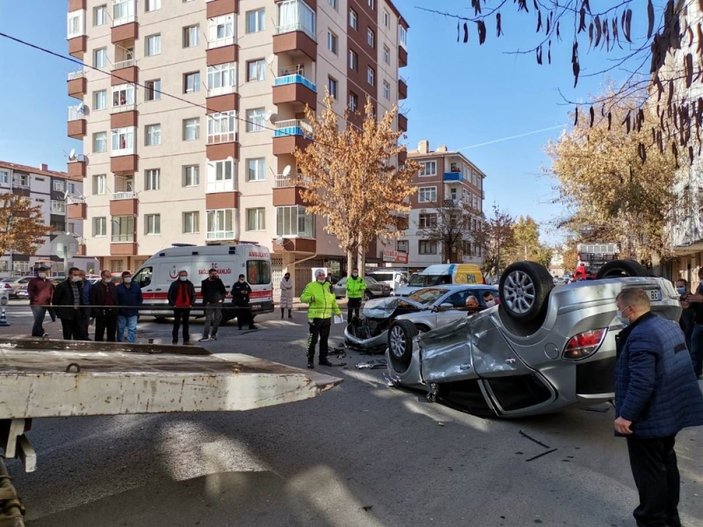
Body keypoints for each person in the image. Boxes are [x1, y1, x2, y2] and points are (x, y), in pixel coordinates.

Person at [613, 288, 703, 527]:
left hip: (650, 420)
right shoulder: (668, 325)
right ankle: (670, 519)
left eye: (618, 308)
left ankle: (652, 520)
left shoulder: (642, 335)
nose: (618, 312)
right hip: (669, 414)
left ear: (630, 309)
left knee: (650, 474)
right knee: (666, 467)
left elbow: (642, 382)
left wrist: (626, 416)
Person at [300, 269, 342, 369]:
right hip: (315, 318)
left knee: (324, 340)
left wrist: (338, 312)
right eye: (319, 275)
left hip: (327, 317)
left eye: (323, 275)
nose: (322, 276)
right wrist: (311, 298)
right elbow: (302, 298)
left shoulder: (329, 286)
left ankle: (323, 359)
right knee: (313, 340)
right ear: (316, 276)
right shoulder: (310, 286)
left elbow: (333, 302)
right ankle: (310, 360)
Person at [52, 267, 85, 340]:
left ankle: (76, 347)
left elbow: (80, 298)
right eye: (75, 274)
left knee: (78, 332)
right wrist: (59, 312)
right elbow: (55, 300)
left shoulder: (79, 285)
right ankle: (67, 346)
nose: (77, 276)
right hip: (66, 313)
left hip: (77, 312)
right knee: (67, 332)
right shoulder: (62, 286)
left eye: (78, 275)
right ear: (70, 275)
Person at [682, 268, 703, 378]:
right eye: (701, 277)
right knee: (695, 350)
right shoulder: (700, 287)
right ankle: (696, 372)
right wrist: (688, 304)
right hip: (698, 323)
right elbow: (697, 303)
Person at [168, 270, 195, 344]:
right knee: (176, 324)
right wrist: (173, 304)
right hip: (177, 306)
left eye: (185, 275)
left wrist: (191, 304)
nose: (183, 276)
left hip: (187, 306)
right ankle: (175, 340)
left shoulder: (190, 284)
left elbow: (193, 295)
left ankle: (186, 340)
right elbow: (169, 295)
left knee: (186, 324)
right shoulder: (174, 284)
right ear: (179, 276)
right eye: (182, 275)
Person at [90, 269, 118, 342]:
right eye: (107, 276)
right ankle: (98, 347)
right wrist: (96, 311)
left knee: (111, 332)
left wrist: (116, 309)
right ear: (102, 276)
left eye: (110, 276)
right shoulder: (96, 286)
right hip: (101, 312)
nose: (109, 277)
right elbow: (93, 300)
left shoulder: (112, 285)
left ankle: (111, 347)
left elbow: (115, 298)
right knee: (99, 332)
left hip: (112, 312)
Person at [27, 265, 54, 337]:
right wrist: (36, 298)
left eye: (44, 271)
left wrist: (50, 300)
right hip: (36, 304)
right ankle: (40, 332)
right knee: (38, 318)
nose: (42, 273)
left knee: (40, 319)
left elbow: (51, 291)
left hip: (45, 303)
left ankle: (35, 333)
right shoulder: (34, 281)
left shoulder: (48, 282)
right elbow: (30, 291)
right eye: (41, 271)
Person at [116, 271, 142, 343]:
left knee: (132, 329)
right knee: (120, 329)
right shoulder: (118, 288)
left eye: (129, 276)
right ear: (123, 278)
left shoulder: (136, 287)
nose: (128, 278)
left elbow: (140, 298)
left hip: (133, 312)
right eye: (126, 277)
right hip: (122, 312)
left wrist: (138, 306)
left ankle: (131, 344)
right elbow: (116, 299)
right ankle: (120, 343)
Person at [200, 268, 226, 342]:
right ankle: (205, 336)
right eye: (213, 274)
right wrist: (206, 301)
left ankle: (213, 335)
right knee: (208, 320)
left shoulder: (219, 281)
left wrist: (222, 299)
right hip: (209, 303)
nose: (214, 275)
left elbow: (223, 291)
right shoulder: (204, 282)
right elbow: (203, 293)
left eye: (215, 273)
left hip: (218, 303)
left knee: (217, 320)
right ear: (209, 274)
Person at [675, 278, 694, 350]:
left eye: (681, 286)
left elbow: (686, 305)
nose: (679, 289)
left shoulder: (690, 296)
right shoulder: (678, 297)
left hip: (689, 325)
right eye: (677, 287)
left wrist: (678, 301)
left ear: (685, 286)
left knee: (689, 344)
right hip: (681, 324)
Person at [77, 270, 92, 340]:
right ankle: (78, 336)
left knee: (86, 322)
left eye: (83, 275)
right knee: (78, 322)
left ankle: (85, 336)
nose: (82, 276)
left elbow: (91, 294)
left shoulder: (88, 283)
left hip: (87, 305)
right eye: (80, 274)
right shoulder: (76, 283)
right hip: (78, 306)